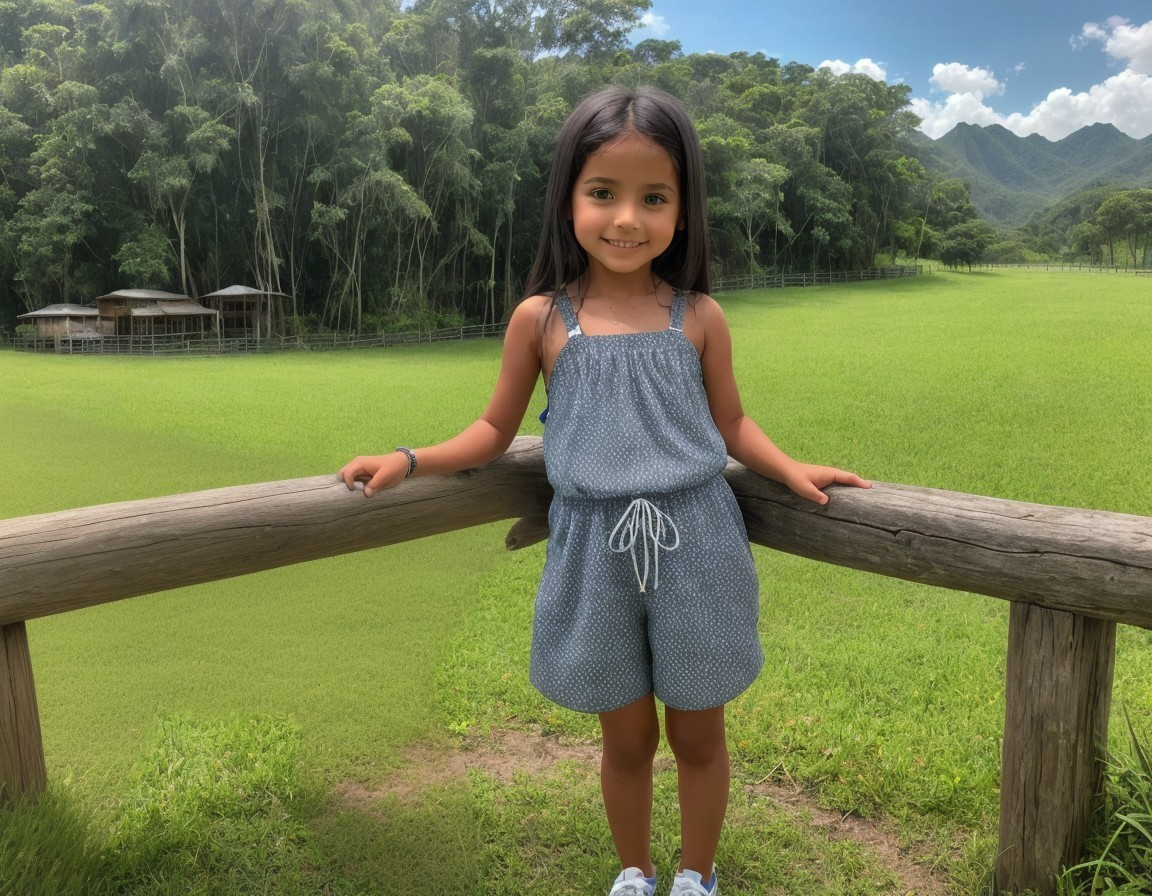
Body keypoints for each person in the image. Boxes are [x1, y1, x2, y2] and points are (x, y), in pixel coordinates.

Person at [338, 84, 870, 896]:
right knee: (623, 739)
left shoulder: (699, 316)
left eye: (653, 198)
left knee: (698, 733)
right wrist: (409, 459)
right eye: (604, 193)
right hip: (592, 551)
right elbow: (491, 432)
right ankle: (636, 871)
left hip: (698, 544)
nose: (627, 218)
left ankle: (696, 877)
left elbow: (732, 422)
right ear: (569, 201)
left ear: (683, 211)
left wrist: (790, 467)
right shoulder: (541, 320)